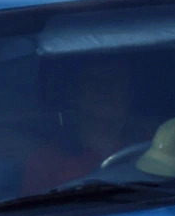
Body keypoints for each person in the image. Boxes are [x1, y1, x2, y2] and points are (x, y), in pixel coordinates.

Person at [21, 57, 150, 192]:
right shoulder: (45, 162)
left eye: (115, 80)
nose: (105, 89)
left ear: (130, 92)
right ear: (74, 94)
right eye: (94, 80)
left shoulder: (157, 146)